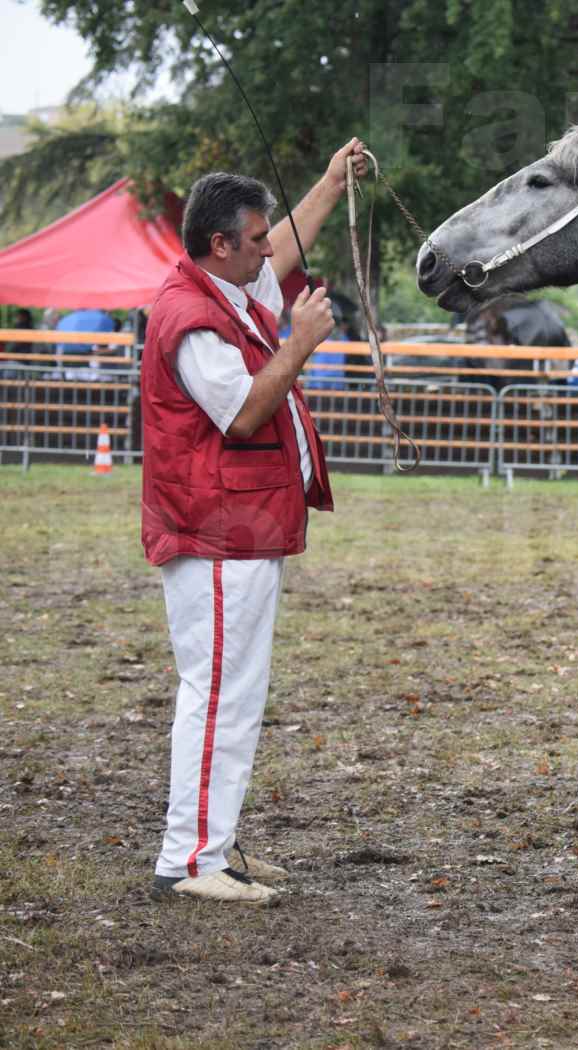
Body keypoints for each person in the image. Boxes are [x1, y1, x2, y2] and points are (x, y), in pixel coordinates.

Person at [142, 138, 367, 905]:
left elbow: (290, 238)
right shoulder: (194, 319)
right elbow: (241, 416)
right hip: (214, 532)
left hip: (235, 528)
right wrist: (299, 345)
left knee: (230, 692)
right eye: (255, 239)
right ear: (219, 244)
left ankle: (212, 842)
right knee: (218, 695)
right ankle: (194, 859)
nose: (269, 251)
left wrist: (333, 181)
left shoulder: (226, 290)